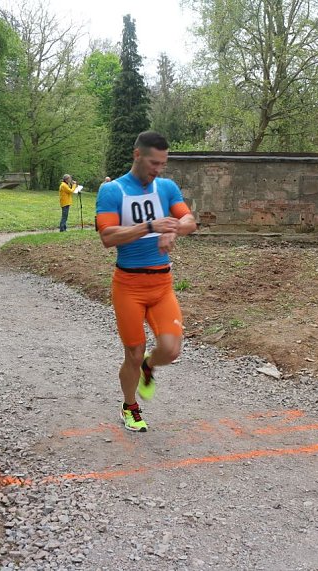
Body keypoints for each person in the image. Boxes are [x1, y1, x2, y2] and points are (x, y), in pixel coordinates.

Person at [95, 131, 197, 432]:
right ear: (137, 154)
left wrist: (175, 229)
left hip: (162, 284)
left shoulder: (166, 187)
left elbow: (190, 220)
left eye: (163, 164)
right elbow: (107, 236)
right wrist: (150, 226)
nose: (158, 170)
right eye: (154, 163)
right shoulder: (113, 191)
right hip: (128, 285)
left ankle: (148, 368)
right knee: (134, 351)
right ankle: (130, 405)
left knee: (171, 349)